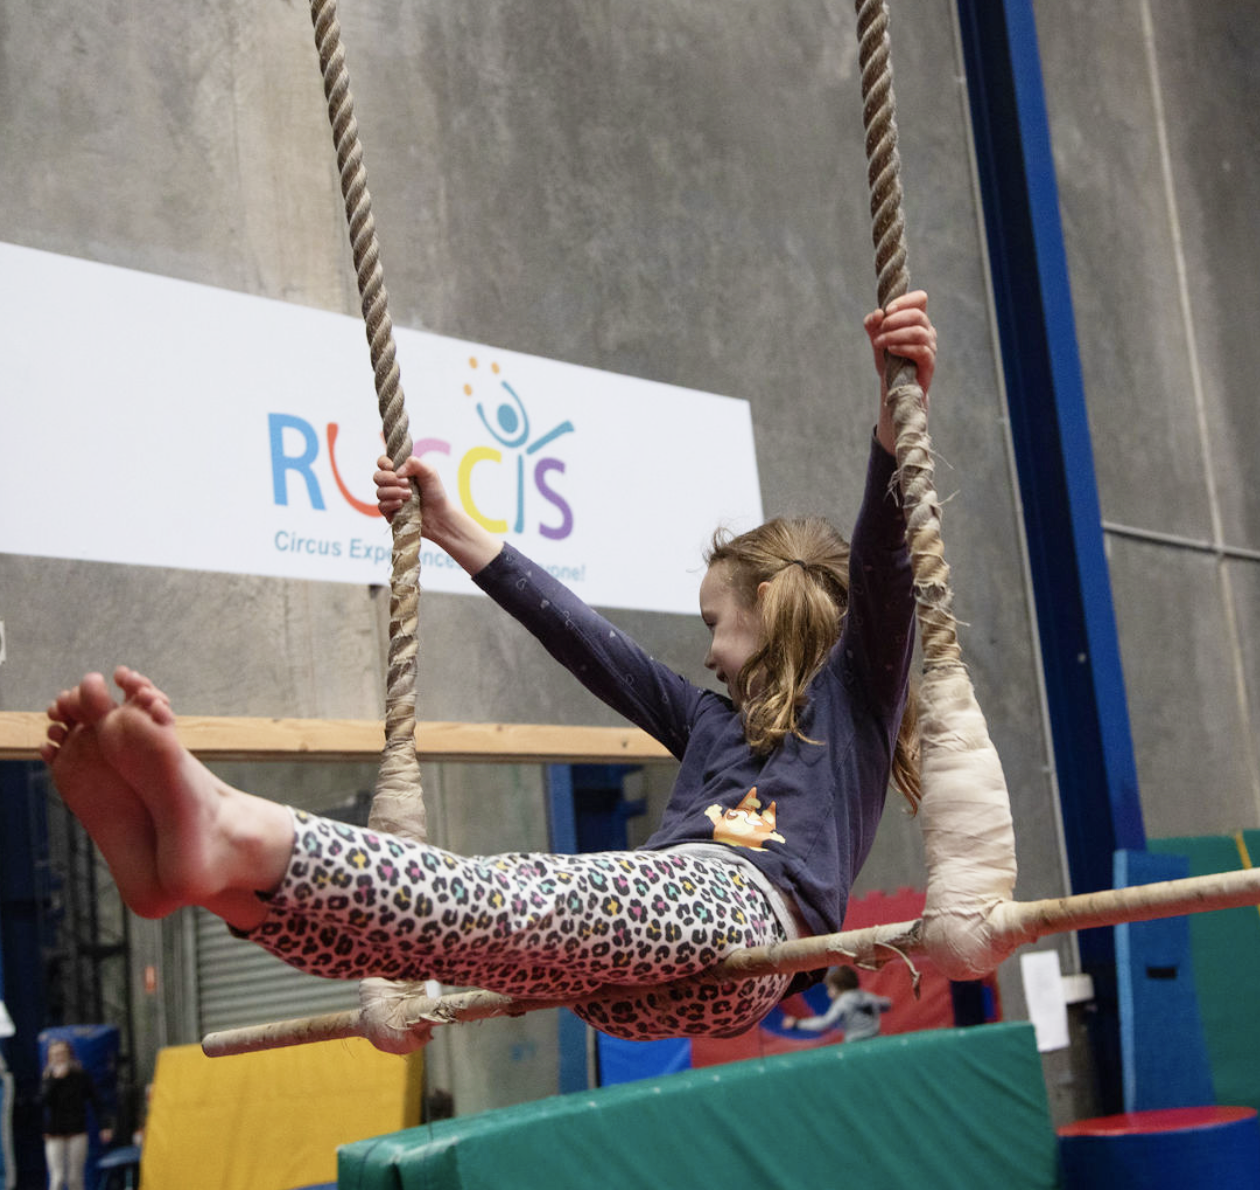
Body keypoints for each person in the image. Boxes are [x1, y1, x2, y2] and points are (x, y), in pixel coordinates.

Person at [39, 293, 935, 1042]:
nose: (705, 650)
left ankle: (237, 829)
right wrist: (453, 528)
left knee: (510, 900)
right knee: (456, 941)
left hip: (741, 923)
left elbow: (886, 572)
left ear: (772, 603)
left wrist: (893, 412)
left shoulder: (849, 705)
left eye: (715, 622)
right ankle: (230, 891)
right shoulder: (707, 722)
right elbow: (586, 642)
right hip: (627, 980)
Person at [40, 1039, 111, 1190]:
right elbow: (44, 1101)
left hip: (77, 1129)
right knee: (57, 1178)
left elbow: (96, 1101)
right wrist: (55, 1080)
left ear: (69, 1055)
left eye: (62, 1054)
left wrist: (105, 1126)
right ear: (50, 1058)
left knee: (75, 1178)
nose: (59, 1058)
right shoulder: (47, 1078)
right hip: (55, 1132)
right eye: (55, 1055)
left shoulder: (80, 1076)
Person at [780, 965, 892, 1040]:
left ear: (839, 987)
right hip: (876, 1037)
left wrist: (797, 1024)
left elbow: (825, 1022)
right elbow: (887, 1004)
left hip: (857, 1041)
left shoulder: (843, 1001)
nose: (828, 993)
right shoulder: (866, 996)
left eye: (830, 988)